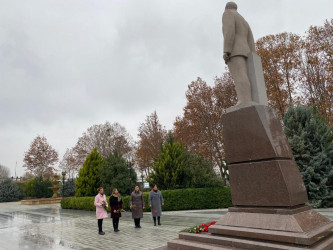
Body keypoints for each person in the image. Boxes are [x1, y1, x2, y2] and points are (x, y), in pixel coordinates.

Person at [222, 1, 256, 105]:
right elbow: (251, 39)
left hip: (235, 50)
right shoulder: (244, 21)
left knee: (239, 76)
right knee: (244, 75)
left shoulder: (227, 14)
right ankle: (247, 99)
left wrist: (227, 50)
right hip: (246, 51)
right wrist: (252, 55)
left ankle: (244, 100)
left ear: (227, 7)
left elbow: (229, 31)